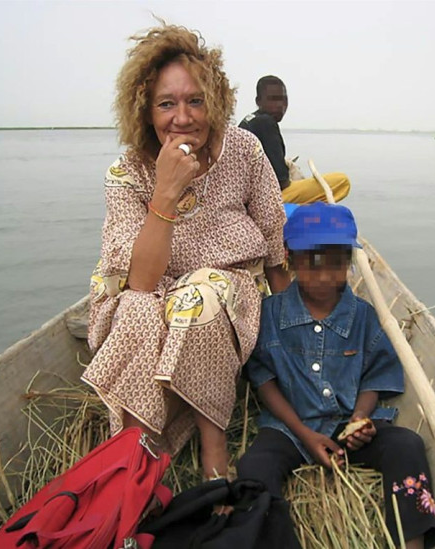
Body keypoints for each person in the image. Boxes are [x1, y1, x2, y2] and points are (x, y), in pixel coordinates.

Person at [82, 24, 291, 482]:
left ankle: (212, 445)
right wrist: (166, 192)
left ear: (214, 101)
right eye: (166, 104)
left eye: (195, 101)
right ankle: (136, 451)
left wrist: (288, 317)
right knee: (135, 307)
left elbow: (273, 233)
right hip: (151, 281)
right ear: (144, 110)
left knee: (202, 298)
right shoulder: (125, 173)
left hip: (225, 282)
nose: (182, 117)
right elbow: (138, 280)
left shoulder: (243, 148)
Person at [236, 202, 435, 548]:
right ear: (289, 258)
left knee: (406, 445)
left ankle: (411, 541)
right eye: (312, 264)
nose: (324, 276)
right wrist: (304, 434)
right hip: (290, 428)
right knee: (253, 469)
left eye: (337, 263)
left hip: (347, 423)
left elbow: (375, 376)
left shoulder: (363, 317)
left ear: (349, 262)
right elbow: (263, 379)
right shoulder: (270, 314)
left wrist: (361, 419)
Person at [239, 76, 351, 204]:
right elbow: (282, 182)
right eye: (273, 100)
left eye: (283, 100)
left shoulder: (249, 120)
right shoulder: (266, 122)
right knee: (342, 181)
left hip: (245, 195)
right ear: (258, 101)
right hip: (262, 200)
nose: (280, 106)